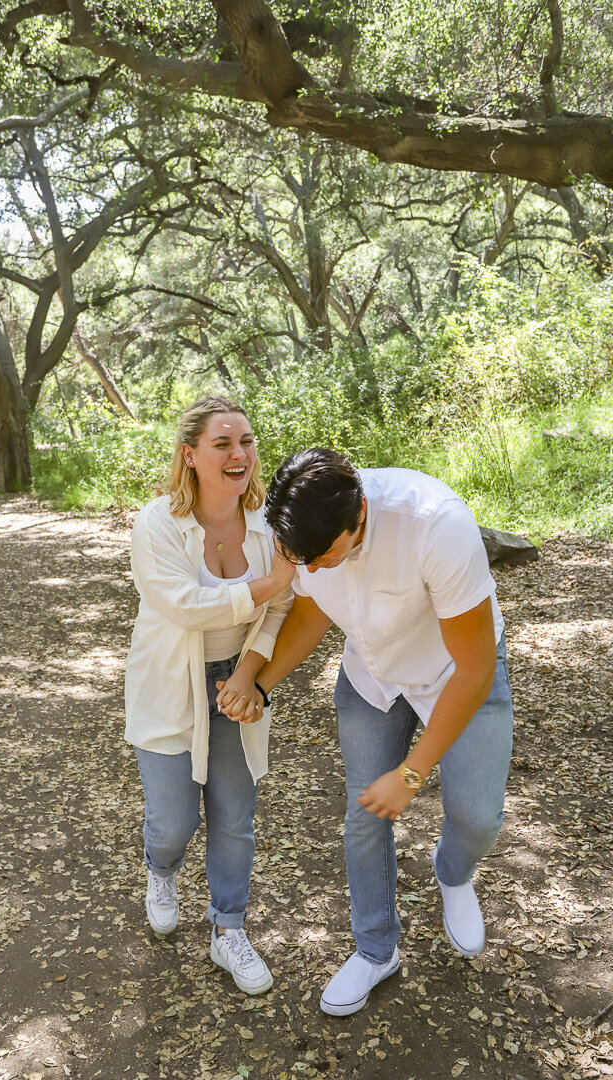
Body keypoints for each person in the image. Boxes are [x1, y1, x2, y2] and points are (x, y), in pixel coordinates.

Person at [217, 449, 514, 1015]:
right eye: (300, 558)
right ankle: (377, 950)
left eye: (323, 557)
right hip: (372, 679)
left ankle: (452, 873)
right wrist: (259, 685)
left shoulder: (435, 525)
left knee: (478, 814)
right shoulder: (300, 529)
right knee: (364, 813)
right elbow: (310, 612)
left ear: (359, 518)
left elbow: (474, 669)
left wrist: (411, 773)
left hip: (455, 673)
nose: (313, 567)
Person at [124, 397, 293, 996]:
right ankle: (161, 870)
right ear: (190, 455)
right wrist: (267, 584)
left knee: (235, 817)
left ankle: (228, 931)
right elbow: (182, 605)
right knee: (173, 823)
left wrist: (249, 674)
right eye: (223, 444)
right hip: (170, 679)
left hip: (236, 681)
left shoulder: (271, 529)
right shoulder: (158, 524)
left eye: (245, 441)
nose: (239, 454)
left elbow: (281, 612)